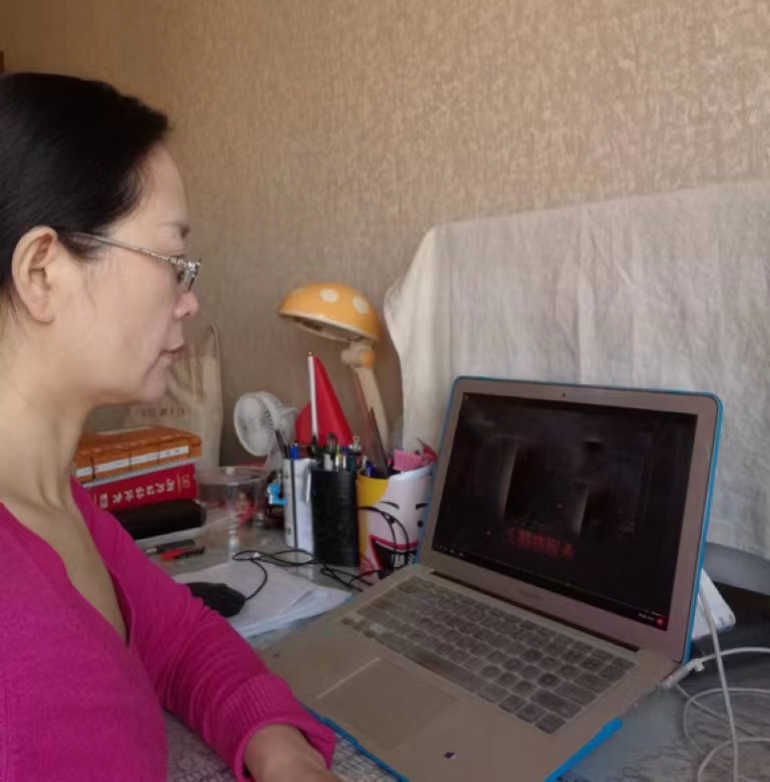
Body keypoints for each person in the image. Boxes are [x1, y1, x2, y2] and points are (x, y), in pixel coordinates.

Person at [0, 72, 338, 781]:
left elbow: (181, 641)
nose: (189, 301)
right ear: (42, 272)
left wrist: (280, 749)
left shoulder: (56, 502)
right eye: (172, 262)